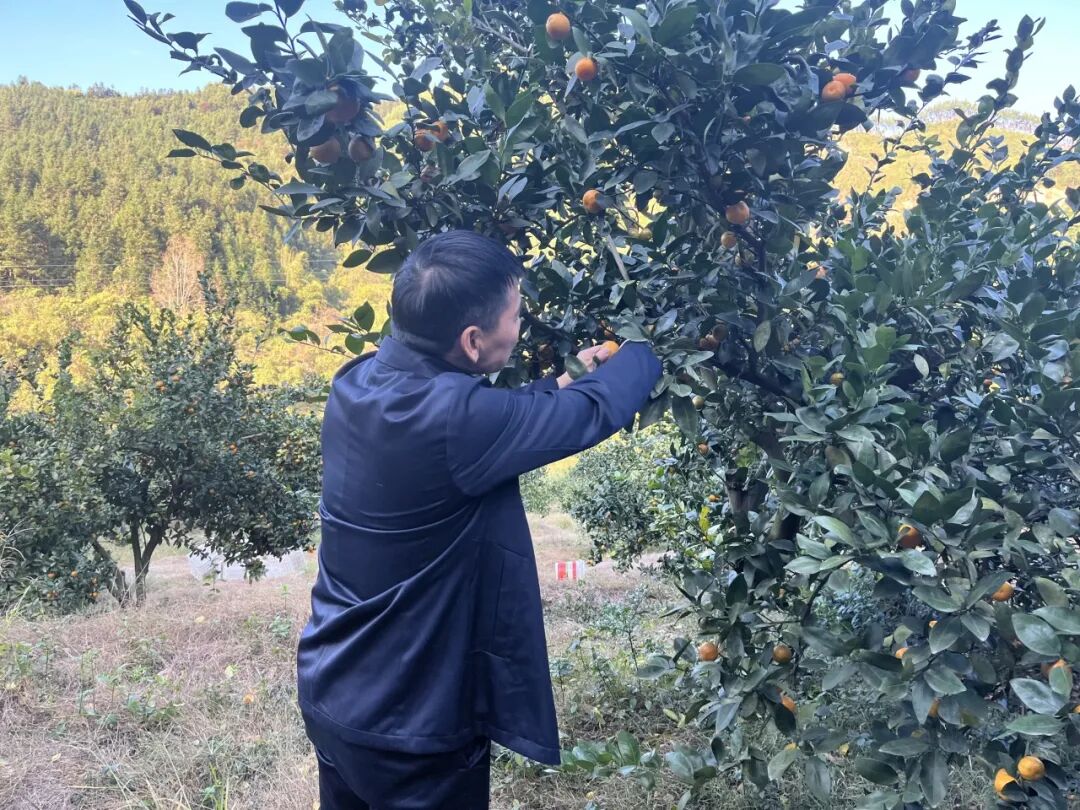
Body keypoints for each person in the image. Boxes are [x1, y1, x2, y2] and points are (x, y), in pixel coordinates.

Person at [296, 230, 663, 809]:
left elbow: (495, 420)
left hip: (336, 689)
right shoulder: (457, 419)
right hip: (414, 723)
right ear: (472, 341)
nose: (519, 328)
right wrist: (647, 348)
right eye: (514, 317)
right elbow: (590, 413)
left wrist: (568, 376)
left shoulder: (359, 382)